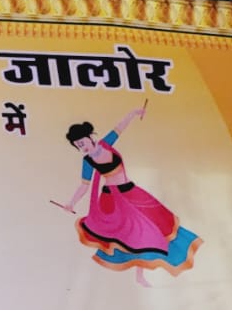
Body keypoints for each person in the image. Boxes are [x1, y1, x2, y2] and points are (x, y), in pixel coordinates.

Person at [51, 103, 201, 285]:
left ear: (90, 137)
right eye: (78, 146)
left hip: (131, 192)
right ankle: (139, 276)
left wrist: (134, 112)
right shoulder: (88, 161)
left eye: (82, 143)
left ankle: (147, 271)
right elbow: (84, 186)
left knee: (154, 226)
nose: (82, 147)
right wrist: (71, 203)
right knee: (134, 237)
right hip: (112, 200)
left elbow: (120, 127)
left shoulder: (106, 143)